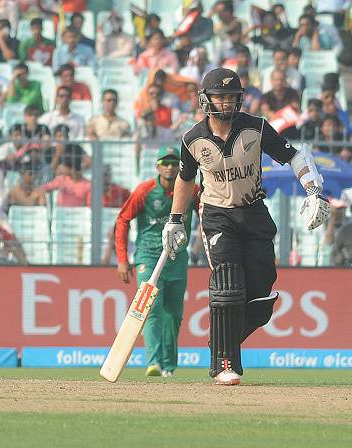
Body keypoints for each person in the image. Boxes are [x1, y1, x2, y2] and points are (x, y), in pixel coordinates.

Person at [162, 68, 330, 386]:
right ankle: (225, 363)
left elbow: (293, 156)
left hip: (254, 212)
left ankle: (222, 342)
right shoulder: (192, 139)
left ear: (239, 99)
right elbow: (185, 181)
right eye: (219, 97)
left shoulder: (257, 127)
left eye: (231, 97)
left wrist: (312, 190)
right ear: (205, 100)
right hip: (216, 215)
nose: (225, 103)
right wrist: (175, 221)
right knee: (227, 282)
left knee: (260, 296)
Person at [115, 146, 199, 377]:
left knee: (173, 313)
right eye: (166, 163)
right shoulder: (145, 191)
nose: (170, 167)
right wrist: (123, 259)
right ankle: (153, 362)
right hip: (148, 256)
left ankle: (168, 367)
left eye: (174, 163)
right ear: (158, 166)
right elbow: (123, 220)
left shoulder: (192, 190)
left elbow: (208, 214)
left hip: (177, 258)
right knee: (151, 308)